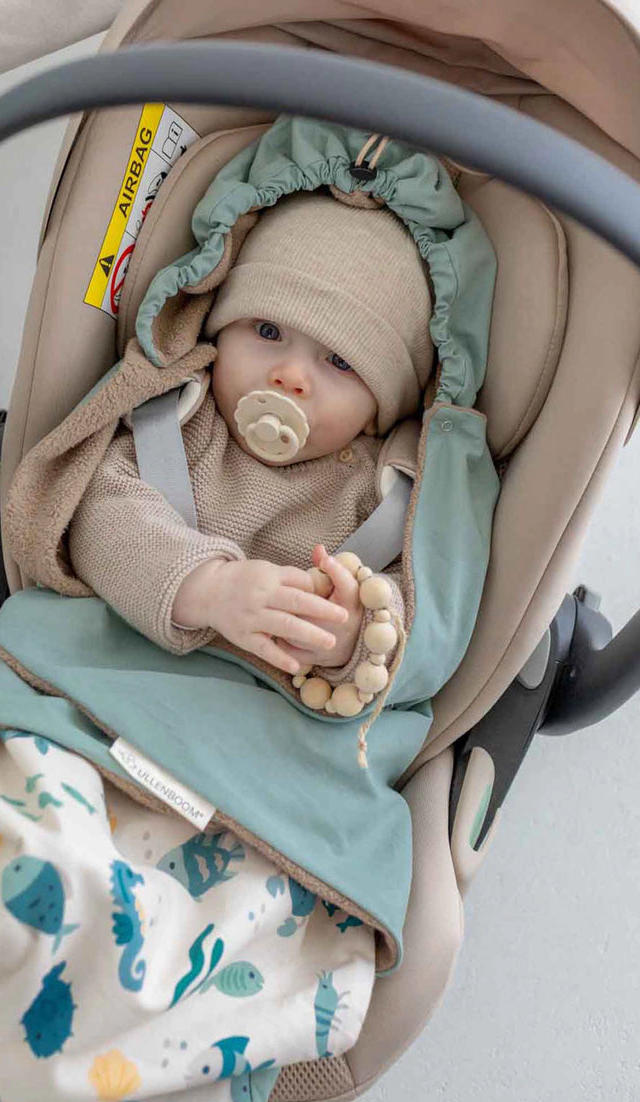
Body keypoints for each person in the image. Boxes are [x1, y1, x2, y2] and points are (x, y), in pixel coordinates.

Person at [68, 187, 434, 719]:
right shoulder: (181, 422)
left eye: (339, 361)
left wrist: (352, 634)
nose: (290, 374)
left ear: (380, 408)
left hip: (257, 728)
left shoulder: (381, 496)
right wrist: (207, 588)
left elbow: (422, 615)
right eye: (267, 331)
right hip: (108, 684)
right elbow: (95, 512)